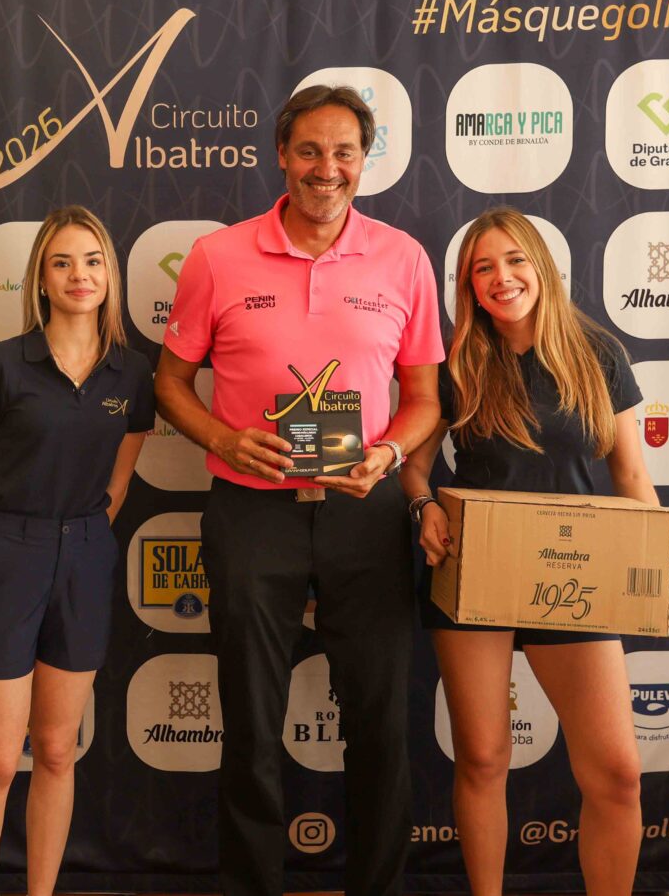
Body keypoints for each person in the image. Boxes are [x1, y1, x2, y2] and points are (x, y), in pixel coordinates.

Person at [154, 84, 444, 896]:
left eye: (344, 152)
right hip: (251, 512)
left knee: (380, 724)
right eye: (310, 150)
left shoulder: (404, 258)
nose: (327, 168)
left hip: (365, 512)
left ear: (364, 160)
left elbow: (426, 398)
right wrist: (222, 437)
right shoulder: (217, 257)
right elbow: (169, 383)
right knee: (251, 724)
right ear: (281, 155)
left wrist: (390, 455)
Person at [400, 206, 656, 896]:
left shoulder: (598, 354)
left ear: (540, 265)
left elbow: (633, 477)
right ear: (468, 285)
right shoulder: (456, 362)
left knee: (618, 774)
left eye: (514, 260)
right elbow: (414, 468)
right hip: (473, 572)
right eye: (482, 268)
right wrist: (424, 508)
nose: (501, 277)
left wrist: (646, 569)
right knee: (483, 759)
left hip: (575, 576)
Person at [0, 205, 154, 896]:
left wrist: (80, 542)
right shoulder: (2, 364)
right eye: (62, 262)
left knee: (59, 751)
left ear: (110, 274)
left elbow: (119, 480)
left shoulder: (132, 374)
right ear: (41, 277)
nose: (79, 275)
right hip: (8, 552)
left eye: (92, 261)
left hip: (86, 556)